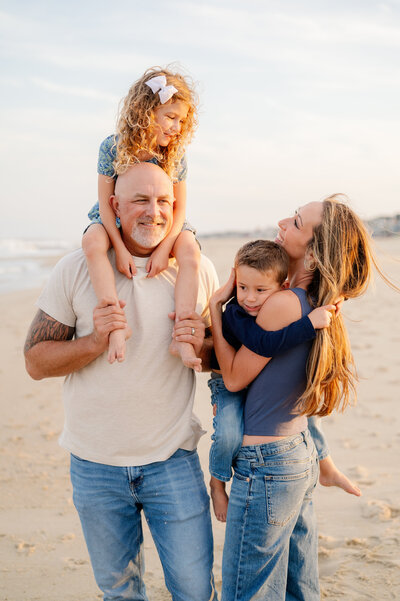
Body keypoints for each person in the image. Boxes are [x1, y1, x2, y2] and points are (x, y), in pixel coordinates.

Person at [24, 163, 219, 601]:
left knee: (193, 589)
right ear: (113, 206)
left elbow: (222, 360)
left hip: (172, 460)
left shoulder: (195, 269)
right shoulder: (77, 268)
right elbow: (35, 361)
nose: (154, 212)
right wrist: (94, 341)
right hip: (94, 465)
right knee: (119, 591)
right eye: (140, 201)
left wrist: (201, 345)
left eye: (164, 201)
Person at [207, 196, 380, 600]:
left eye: (298, 222)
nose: (283, 221)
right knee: (299, 589)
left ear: (315, 254)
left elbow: (233, 378)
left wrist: (216, 307)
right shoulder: (316, 305)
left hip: (267, 464)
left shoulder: (283, 304)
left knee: (247, 592)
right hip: (297, 454)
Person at [83, 66, 202, 371]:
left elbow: (179, 209)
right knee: (92, 241)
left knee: (190, 250)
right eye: (171, 117)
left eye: (182, 121)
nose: (176, 127)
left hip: (164, 219)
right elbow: (105, 203)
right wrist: (119, 248)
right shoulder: (113, 146)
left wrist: (165, 248)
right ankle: (116, 324)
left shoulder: (175, 155)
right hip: (115, 215)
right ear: (147, 112)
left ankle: (182, 336)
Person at [207, 239, 335, 521]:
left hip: (251, 383)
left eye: (260, 290)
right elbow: (263, 343)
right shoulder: (237, 313)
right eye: (242, 287)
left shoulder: (279, 304)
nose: (249, 298)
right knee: (228, 433)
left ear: (282, 288)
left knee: (310, 414)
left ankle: (326, 465)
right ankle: (217, 483)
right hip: (225, 382)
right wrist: (308, 325)